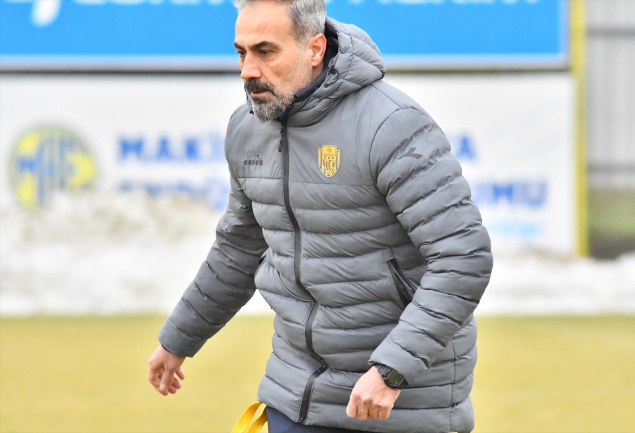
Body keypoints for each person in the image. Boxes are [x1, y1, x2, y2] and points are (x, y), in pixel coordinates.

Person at [147, 0, 493, 432]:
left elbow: (463, 257)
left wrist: (392, 370)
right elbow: (238, 250)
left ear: (314, 49)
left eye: (265, 51)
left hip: (403, 403)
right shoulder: (246, 128)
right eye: (241, 53)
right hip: (295, 396)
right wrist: (178, 338)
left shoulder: (391, 124)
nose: (248, 70)